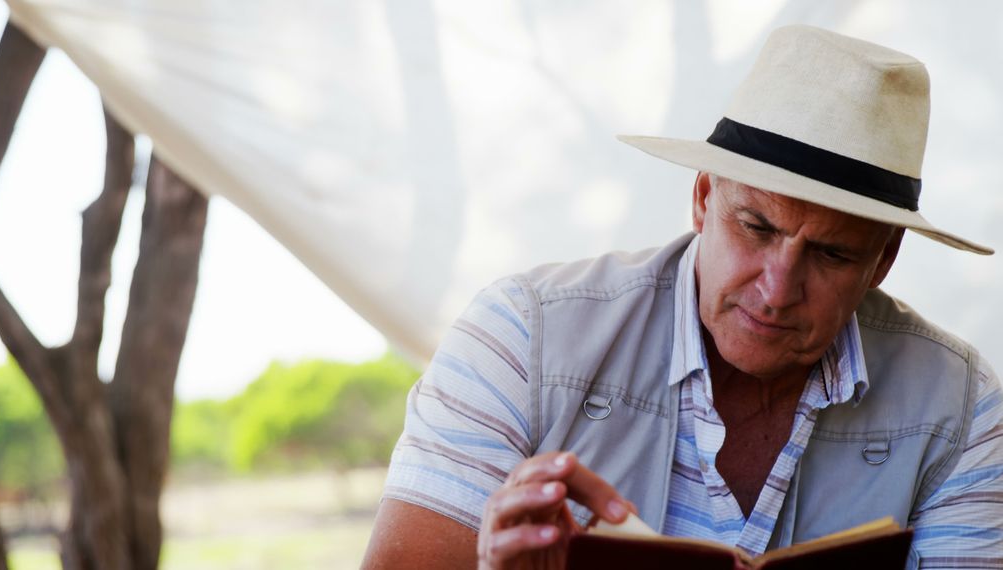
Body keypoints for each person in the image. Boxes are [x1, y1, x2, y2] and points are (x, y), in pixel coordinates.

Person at [361, 25, 1003, 569]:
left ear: (883, 261)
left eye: (832, 253)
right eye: (757, 227)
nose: (777, 291)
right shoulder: (522, 337)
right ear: (702, 198)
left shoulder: (961, 409)